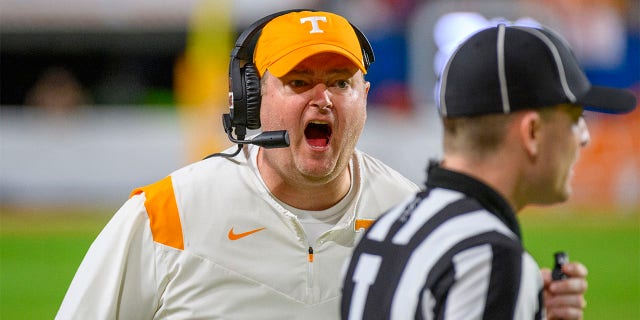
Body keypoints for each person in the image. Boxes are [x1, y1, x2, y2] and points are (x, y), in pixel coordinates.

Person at [56, 10, 420, 319]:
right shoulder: (166, 217)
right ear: (251, 99)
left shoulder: (413, 218)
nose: (323, 99)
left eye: (341, 83)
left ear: (365, 98)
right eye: (299, 81)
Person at [341, 24, 637, 319]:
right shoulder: (488, 258)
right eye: (575, 118)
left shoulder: (384, 230)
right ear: (532, 132)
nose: (584, 136)